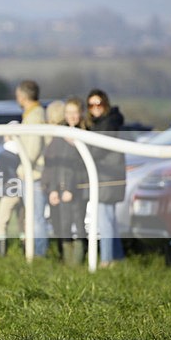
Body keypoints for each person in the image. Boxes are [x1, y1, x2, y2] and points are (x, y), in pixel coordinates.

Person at [42, 98, 88, 265]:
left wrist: (70, 188)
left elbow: (80, 167)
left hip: (78, 189)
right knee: (63, 225)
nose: (72, 116)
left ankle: (78, 261)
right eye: (68, 112)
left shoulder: (86, 133)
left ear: (81, 113)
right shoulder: (59, 136)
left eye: (75, 112)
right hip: (60, 189)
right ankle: (66, 260)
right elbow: (52, 165)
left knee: (79, 224)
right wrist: (53, 189)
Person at [86, 89, 126, 267]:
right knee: (110, 218)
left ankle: (106, 260)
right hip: (107, 175)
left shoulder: (108, 123)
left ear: (105, 104)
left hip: (107, 176)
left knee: (105, 218)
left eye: (98, 104)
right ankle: (117, 257)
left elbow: (97, 150)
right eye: (91, 105)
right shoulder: (101, 122)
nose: (95, 108)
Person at [15, 80, 49, 257]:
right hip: (31, 173)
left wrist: (24, 167)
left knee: (36, 218)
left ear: (22, 96)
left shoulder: (35, 115)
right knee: (33, 216)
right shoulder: (33, 113)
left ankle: (39, 253)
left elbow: (34, 147)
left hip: (34, 174)